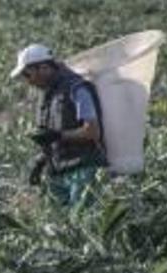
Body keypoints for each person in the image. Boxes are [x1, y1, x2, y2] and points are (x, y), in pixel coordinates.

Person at [10, 44, 106, 207]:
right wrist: (40, 161)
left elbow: (93, 132)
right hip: (57, 170)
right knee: (59, 226)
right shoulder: (47, 95)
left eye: (28, 74)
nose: (28, 81)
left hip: (83, 169)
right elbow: (49, 135)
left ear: (44, 68)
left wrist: (58, 135)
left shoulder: (77, 89)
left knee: (82, 224)